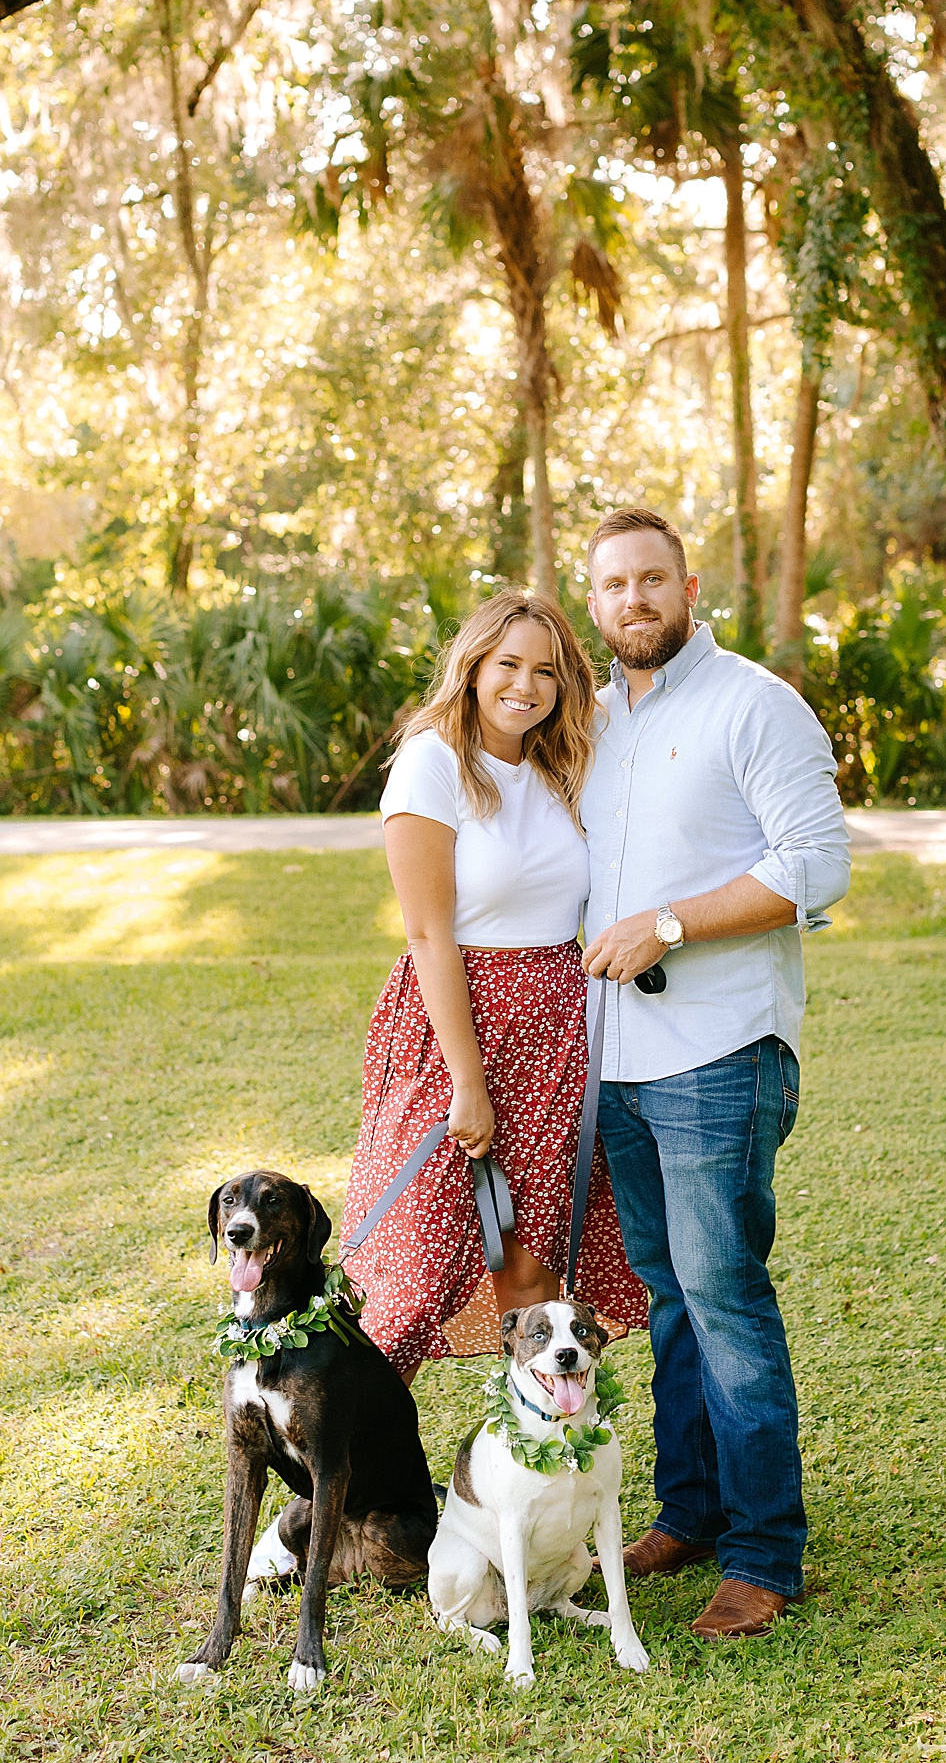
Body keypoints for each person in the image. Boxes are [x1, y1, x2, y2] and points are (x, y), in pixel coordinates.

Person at [579, 507, 851, 1639]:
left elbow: (817, 865)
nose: (634, 599)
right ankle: (687, 1512)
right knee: (669, 1298)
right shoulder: (591, 721)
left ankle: (763, 1553)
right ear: (592, 603)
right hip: (617, 1061)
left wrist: (672, 924)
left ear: (688, 586)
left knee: (726, 1297)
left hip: (719, 1055)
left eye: (653, 578)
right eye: (612, 585)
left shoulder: (756, 703)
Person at [341, 589, 648, 1381]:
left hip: (554, 1028)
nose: (525, 685)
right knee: (414, 1277)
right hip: (454, 1023)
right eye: (507, 664)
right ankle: (340, 1486)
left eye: (545, 670)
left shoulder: (560, 763)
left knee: (532, 1274)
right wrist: (467, 1082)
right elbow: (426, 935)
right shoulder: (432, 760)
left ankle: (532, 1464)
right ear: (472, 666)